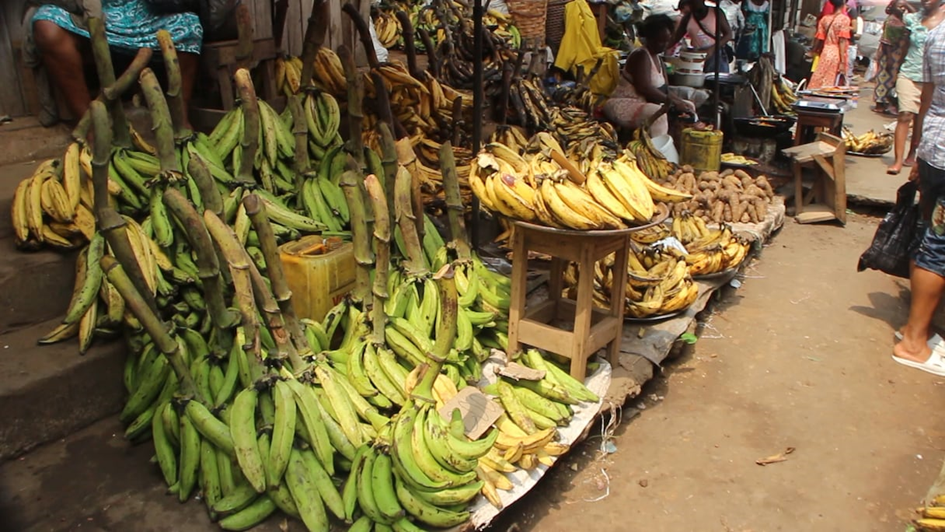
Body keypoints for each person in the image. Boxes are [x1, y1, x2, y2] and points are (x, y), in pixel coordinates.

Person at [30, 0, 203, 125]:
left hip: (142, 9)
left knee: (189, 25)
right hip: (86, 11)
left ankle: (180, 117)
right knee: (47, 27)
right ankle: (87, 124)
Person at [893, 23, 945, 375]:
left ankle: (918, 327)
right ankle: (913, 342)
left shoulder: (937, 33)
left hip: (935, 147)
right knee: (939, 247)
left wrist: (920, 151)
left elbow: (926, 98)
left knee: (928, 232)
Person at [603, 14, 702, 137]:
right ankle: (658, 152)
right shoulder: (641, 55)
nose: (664, 45)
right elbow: (644, 87)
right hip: (626, 103)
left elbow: (664, 89)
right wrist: (673, 103)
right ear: (650, 39)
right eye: (661, 41)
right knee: (658, 114)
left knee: (689, 106)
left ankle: (680, 148)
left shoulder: (658, 58)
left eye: (667, 41)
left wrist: (680, 102)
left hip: (646, 103)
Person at [887, 0, 945, 175]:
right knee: (904, 115)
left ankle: (914, 154)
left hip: (932, 79)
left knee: (923, 120)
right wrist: (896, 71)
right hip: (909, 73)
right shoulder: (912, 19)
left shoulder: (943, 23)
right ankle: (897, 161)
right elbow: (904, 46)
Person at [871, 0, 913, 116]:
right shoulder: (893, 21)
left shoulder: (901, 20)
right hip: (890, 54)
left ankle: (887, 103)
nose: (902, 9)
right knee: (885, 78)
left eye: (903, 7)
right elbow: (887, 42)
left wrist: (907, 6)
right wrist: (890, 59)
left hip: (897, 54)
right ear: (893, 7)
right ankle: (881, 104)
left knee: (890, 80)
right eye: (899, 6)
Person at [673, 0, 734, 74]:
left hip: (716, 55)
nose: (693, 4)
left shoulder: (716, 12)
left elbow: (728, 35)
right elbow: (674, 39)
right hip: (697, 57)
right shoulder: (687, 18)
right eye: (690, 3)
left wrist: (711, 49)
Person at [808, 0, 851, 89]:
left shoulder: (825, 19)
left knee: (819, 77)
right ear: (843, 3)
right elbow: (842, 41)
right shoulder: (844, 19)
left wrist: (813, 51)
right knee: (830, 81)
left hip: (824, 52)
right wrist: (842, 62)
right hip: (836, 53)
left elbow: (819, 39)